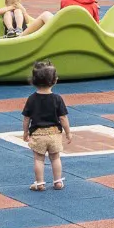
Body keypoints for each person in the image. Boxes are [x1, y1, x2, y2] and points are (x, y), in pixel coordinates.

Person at [22, 60, 71, 191]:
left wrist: (25, 132)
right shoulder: (57, 99)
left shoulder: (31, 99)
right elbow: (63, 117)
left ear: (33, 80)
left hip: (38, 134)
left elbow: (27, 118)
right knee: (55, 158)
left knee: (38, 159)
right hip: (54, 133)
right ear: (55, 80)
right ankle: (58, 181)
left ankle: (40, 183)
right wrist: (68, 132)